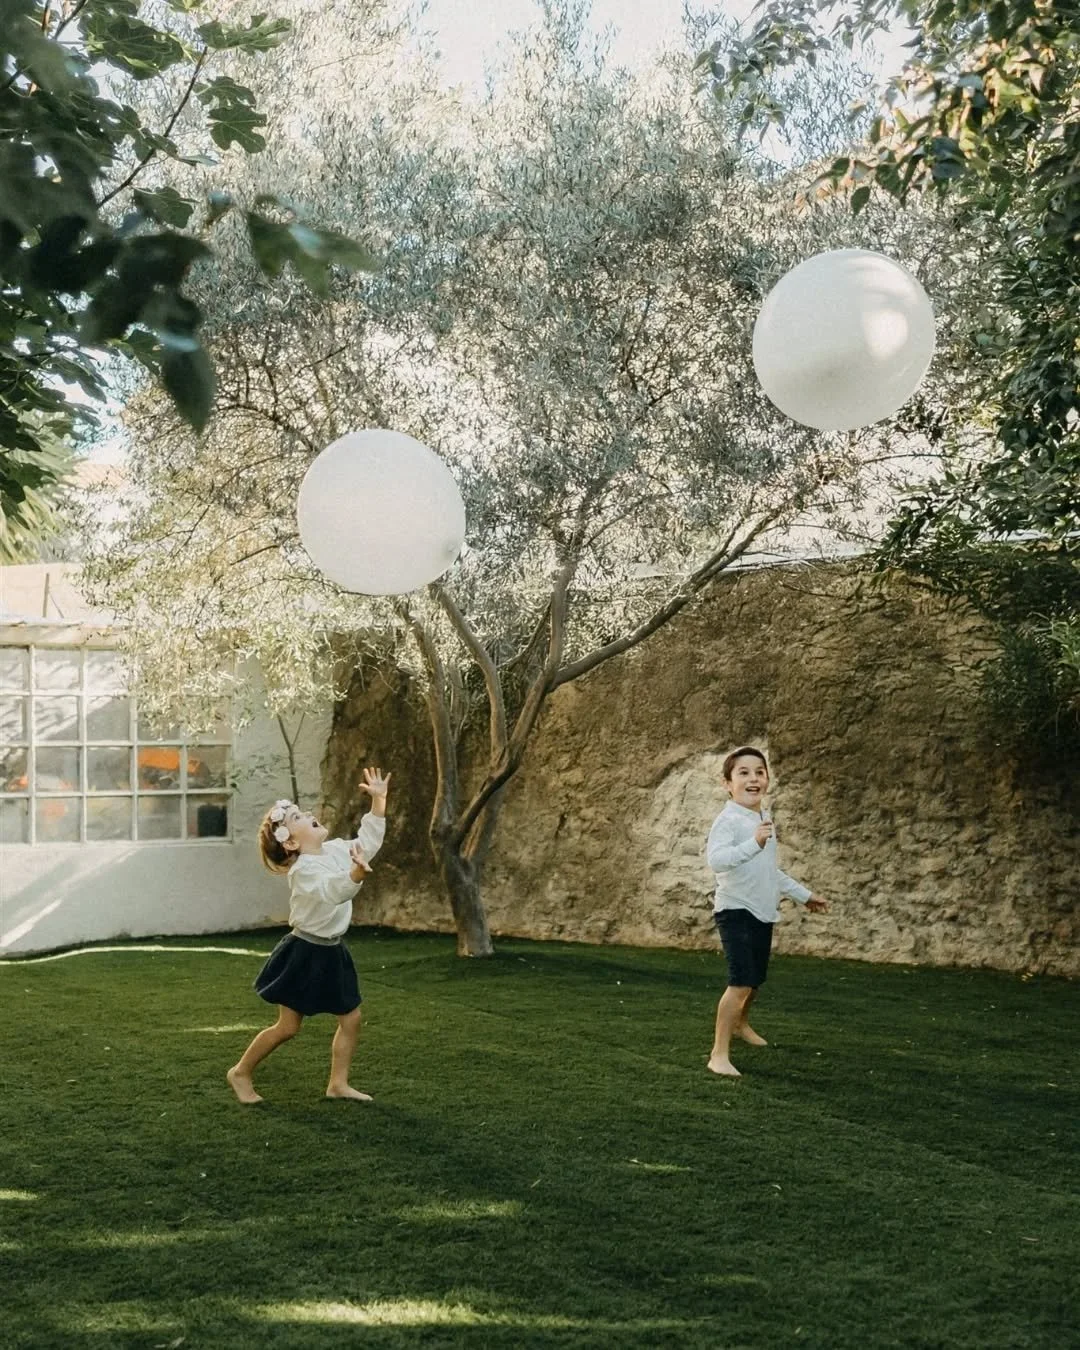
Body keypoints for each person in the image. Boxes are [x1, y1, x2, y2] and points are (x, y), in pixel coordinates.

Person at [226, 767, 391, 1104]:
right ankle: (240, 1072)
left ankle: (338, 1084)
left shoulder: (332, 851)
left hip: (332, 950)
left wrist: (379, 802)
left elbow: (367, 842)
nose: (310, 814)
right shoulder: (303, 871)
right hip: (304, 952)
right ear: (291, 842)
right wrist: (356, 876)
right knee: (288, 1027)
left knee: (352, 1018)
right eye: (299, 817)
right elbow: (333, 891)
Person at [705, 747, 827, 1077]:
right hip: (735, 910)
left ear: (767, 779)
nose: (753, 778)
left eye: (759, 771)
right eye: (743, 773)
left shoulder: (762, 818)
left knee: (755, 979)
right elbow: (716, 861)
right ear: (727, 783)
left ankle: (741, 1025)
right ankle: (718, 1054)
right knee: (741, 981)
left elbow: (770, 870)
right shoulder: (728, 820)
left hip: (762, 910)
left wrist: (804, 896)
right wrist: (753, 844)